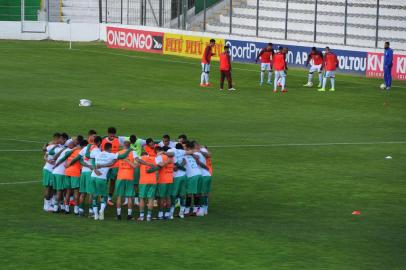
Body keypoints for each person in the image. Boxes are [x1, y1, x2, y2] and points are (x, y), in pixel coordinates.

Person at [100, 127, 124, 206]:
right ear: (108, 133)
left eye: (113, 134)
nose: (112, 136)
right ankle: (102, 197)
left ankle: (109, 198)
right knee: (104, 181)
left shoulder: (117, 140)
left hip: (115, 165)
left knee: (112, 182)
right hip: (105, 165)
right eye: (111, 134)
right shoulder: (103, 141)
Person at [42, 133, 61, 211]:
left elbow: (45, 156)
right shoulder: (52, 147)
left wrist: (47, 160)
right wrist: (49, 161)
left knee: (53, 188)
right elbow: (45, 155)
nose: (61, 140)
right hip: (48, 170)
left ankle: (51, 204)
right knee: (48, 188)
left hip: (52, 170)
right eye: (60, 138)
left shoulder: (50, 147)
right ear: (56, 139)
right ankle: (46, 206)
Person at [138, 152, 158, 221]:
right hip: (153, 181)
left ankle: (141, 216)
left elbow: (136, 164)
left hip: (143, 181)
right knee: (151, 199)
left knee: (142, 199)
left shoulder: (141, 158)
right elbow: (159, 166)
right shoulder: (154, 158)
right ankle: (149, 216)